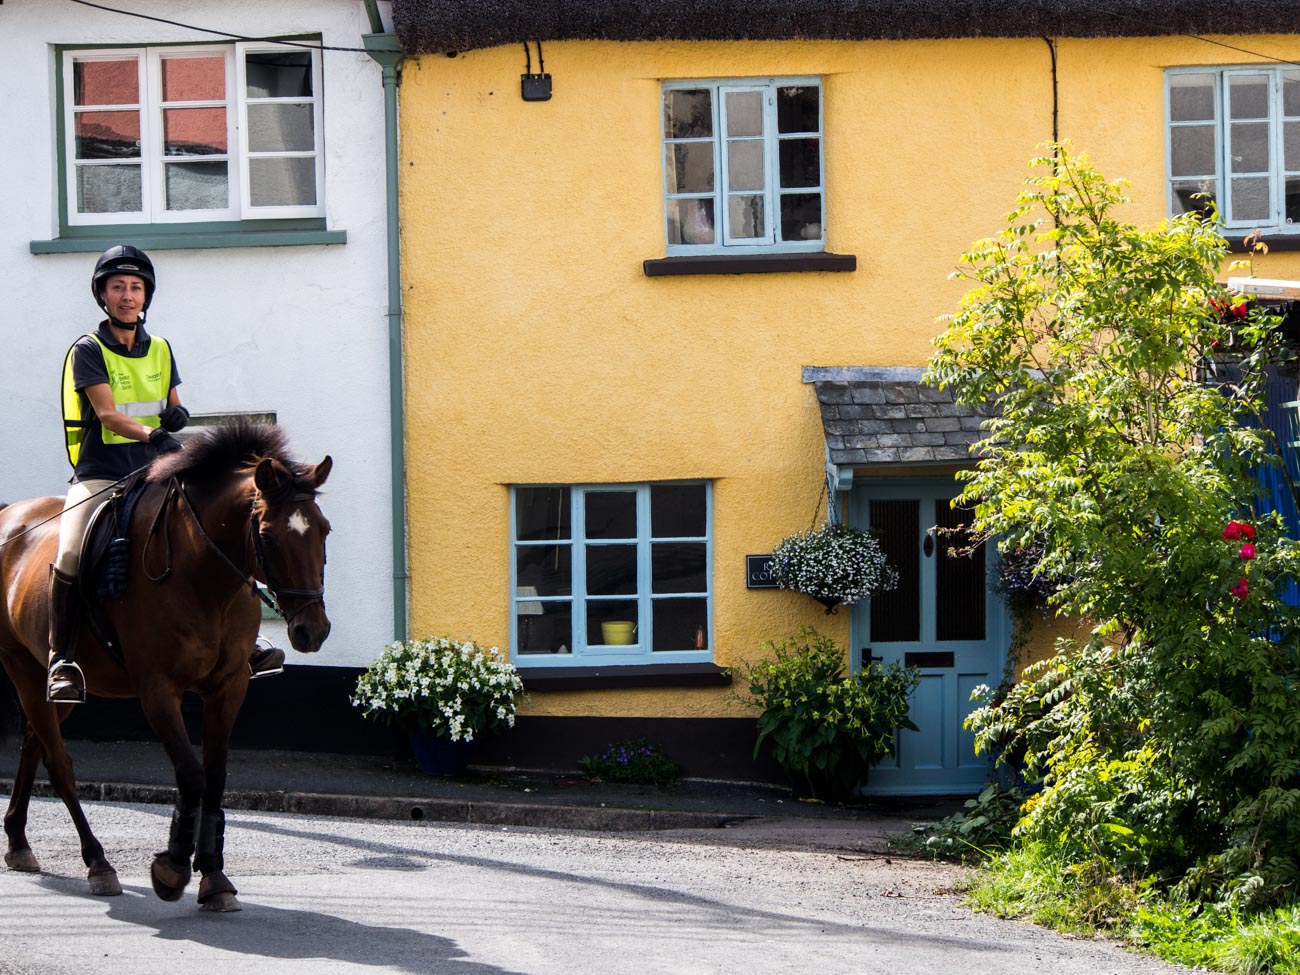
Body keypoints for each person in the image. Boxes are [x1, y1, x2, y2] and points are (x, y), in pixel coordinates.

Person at [49, 245, 284, 703]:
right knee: (72, 551)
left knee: (217, 526)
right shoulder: (88, 350)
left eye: (136, 288)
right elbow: (110, 415)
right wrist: (154, 436)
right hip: (102, 473)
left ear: (146, 296)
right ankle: (62, 660)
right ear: (103, 295)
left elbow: (171, 403)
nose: (127, 295)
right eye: (117, 287)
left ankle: (246, 640)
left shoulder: (160, 348)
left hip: (155, 470)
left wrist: (177, 417)